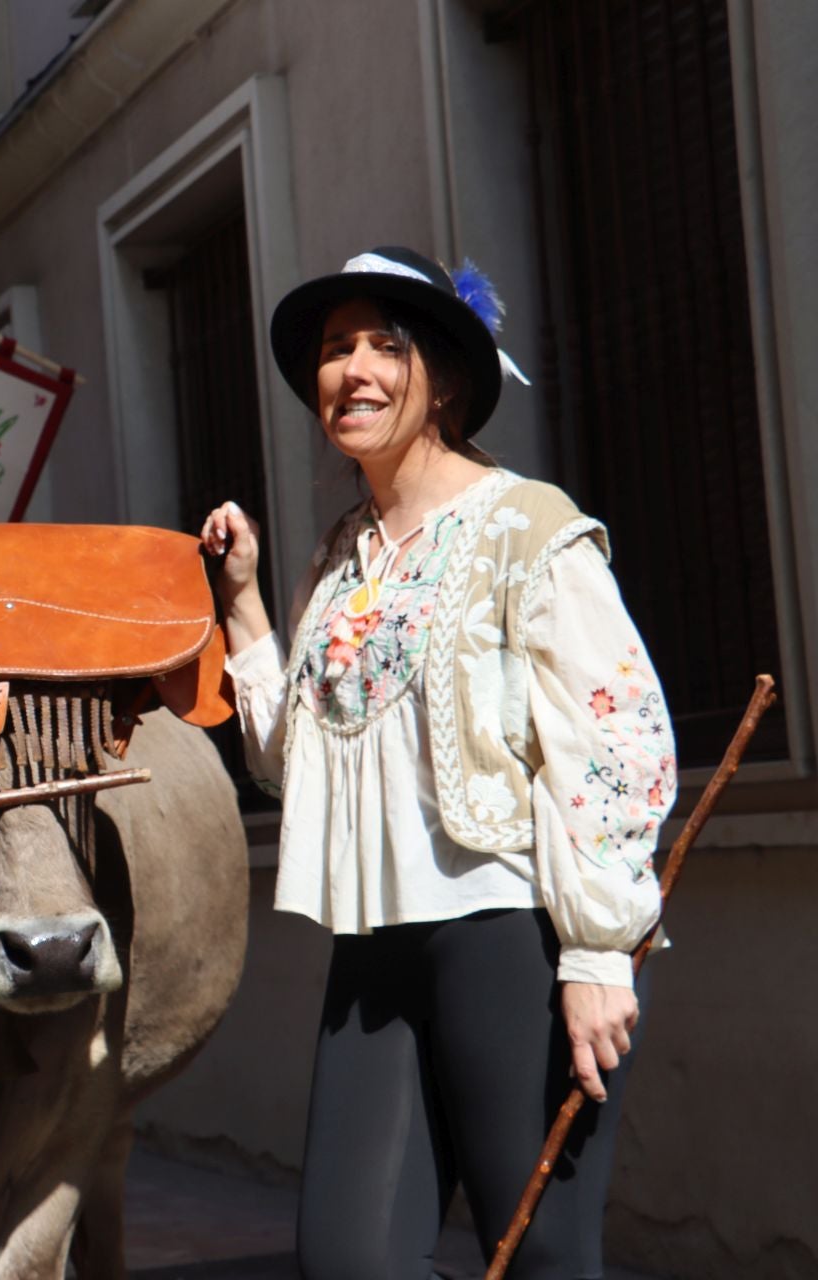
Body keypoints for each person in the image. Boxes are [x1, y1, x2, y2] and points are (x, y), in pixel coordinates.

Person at [200, 247, 676, 1280]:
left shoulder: (527, 527)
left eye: (386, 345)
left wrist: (598, 951)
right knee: (348, 1260)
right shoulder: (337, 560)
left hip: (513, 939)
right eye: (335, 348)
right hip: (375, 952)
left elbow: (618, 735)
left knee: (544, 1252)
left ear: (448, 381)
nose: (353, 370)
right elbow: (293, 764)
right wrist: (242, 602)